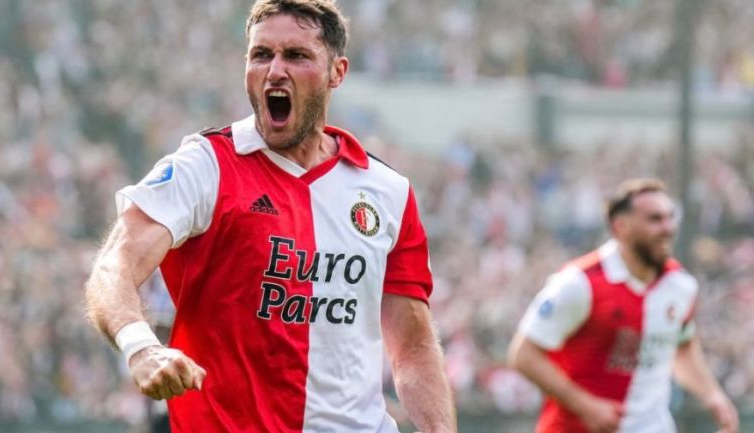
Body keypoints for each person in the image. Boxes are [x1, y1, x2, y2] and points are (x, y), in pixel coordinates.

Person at [84, 1, 457, 432]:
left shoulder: (388, 192)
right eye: (261, 55)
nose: (275, 70)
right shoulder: (205, 166)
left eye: (296, 55)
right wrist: (141, 347)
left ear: (337, 72)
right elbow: (114, 266)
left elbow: (413, 348)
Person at [508, 178, 739, 433]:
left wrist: (712, 395)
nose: (667, 228)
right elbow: (523, 355)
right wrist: (587, 406)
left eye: (670, 217)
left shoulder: (680, 285)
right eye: (654, 219)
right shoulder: (579, 282)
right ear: (621, 227)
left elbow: (682, 346)